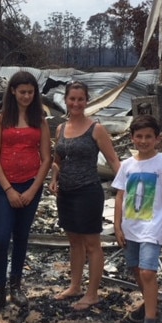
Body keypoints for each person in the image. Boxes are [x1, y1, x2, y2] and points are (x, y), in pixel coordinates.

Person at [0, 71, 52, 315]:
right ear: (13, 91)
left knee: (21, 238)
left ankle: (16, 286)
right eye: (22, 92)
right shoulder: (1, 120)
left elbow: (46, 158)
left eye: (30, 92)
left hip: (30, 186)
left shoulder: (40, 120)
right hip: (5, 188)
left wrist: (33, 189)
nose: (26, 96)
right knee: (1, 239)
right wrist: (9, 189)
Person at [49, 81, 121, 310]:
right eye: (72, 99)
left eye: (80, 99)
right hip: (66, 194)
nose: (76, 103)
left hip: (88, 192)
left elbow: (113, 160)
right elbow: (57, 161)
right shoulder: (60, 129)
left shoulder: (96, 129)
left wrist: (124, 186)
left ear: (86, 101)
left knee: (92, 244)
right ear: (66, 101)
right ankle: (75, 286)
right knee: (74, 242)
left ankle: (92, 294)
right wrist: (53, 179)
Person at [111, 114, 162, 323]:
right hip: (130, 227)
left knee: (148, 271)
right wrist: (117, 226)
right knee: (136, 269)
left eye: (148, 137)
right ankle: (150, 303)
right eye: (139, 136)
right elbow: (119, 197)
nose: (143, 141)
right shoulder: (127, 165)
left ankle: (150, 320)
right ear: (132, 138)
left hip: (151, 228)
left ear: (157, 139)